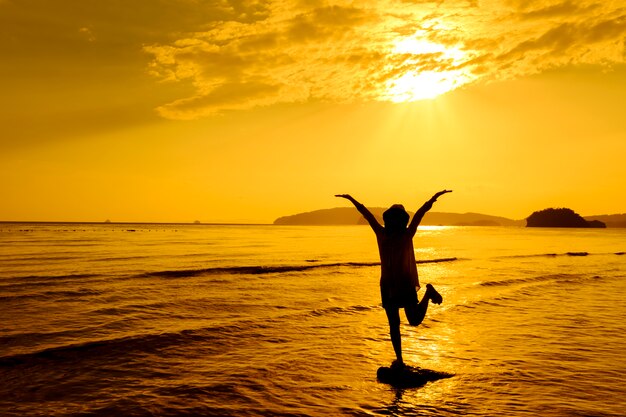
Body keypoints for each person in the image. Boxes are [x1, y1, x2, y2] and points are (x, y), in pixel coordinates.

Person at [335, 190, 452, 368]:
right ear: (388, 220)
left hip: (405, 283)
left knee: (413, 320)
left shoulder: (406, 235)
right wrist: (351, 199)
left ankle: (428, 293)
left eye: (397, 219)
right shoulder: (382, 234)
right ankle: (400, 360)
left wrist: (433, 199)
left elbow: (419, 214)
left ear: (401, 221)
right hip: (388, 285)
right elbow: (367, 215)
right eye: (392, 219)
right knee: (393, 324)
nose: (394, 222)